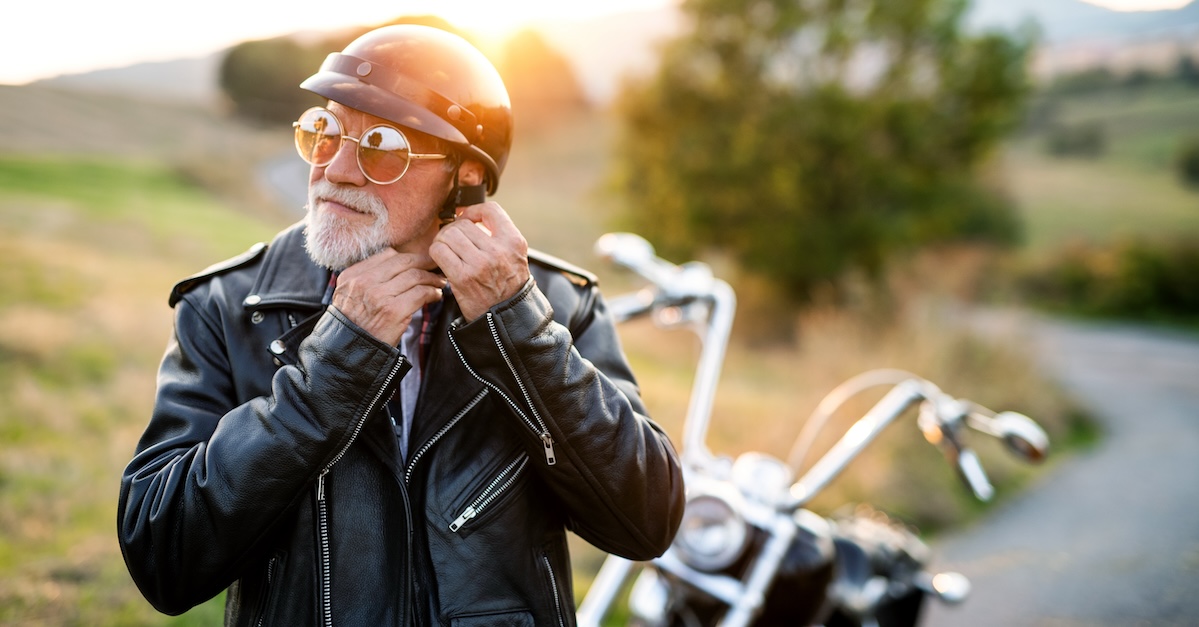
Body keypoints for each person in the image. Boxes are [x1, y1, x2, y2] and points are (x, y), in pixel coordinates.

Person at [117, 24, 684, 626]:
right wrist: (334, 365)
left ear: (464, 176)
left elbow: (646, 522)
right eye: (325, 131)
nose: (334, 169)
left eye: (381, 145)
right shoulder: (228, 306)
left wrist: (518, 327)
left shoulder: (557, 306)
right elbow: (163, 558)